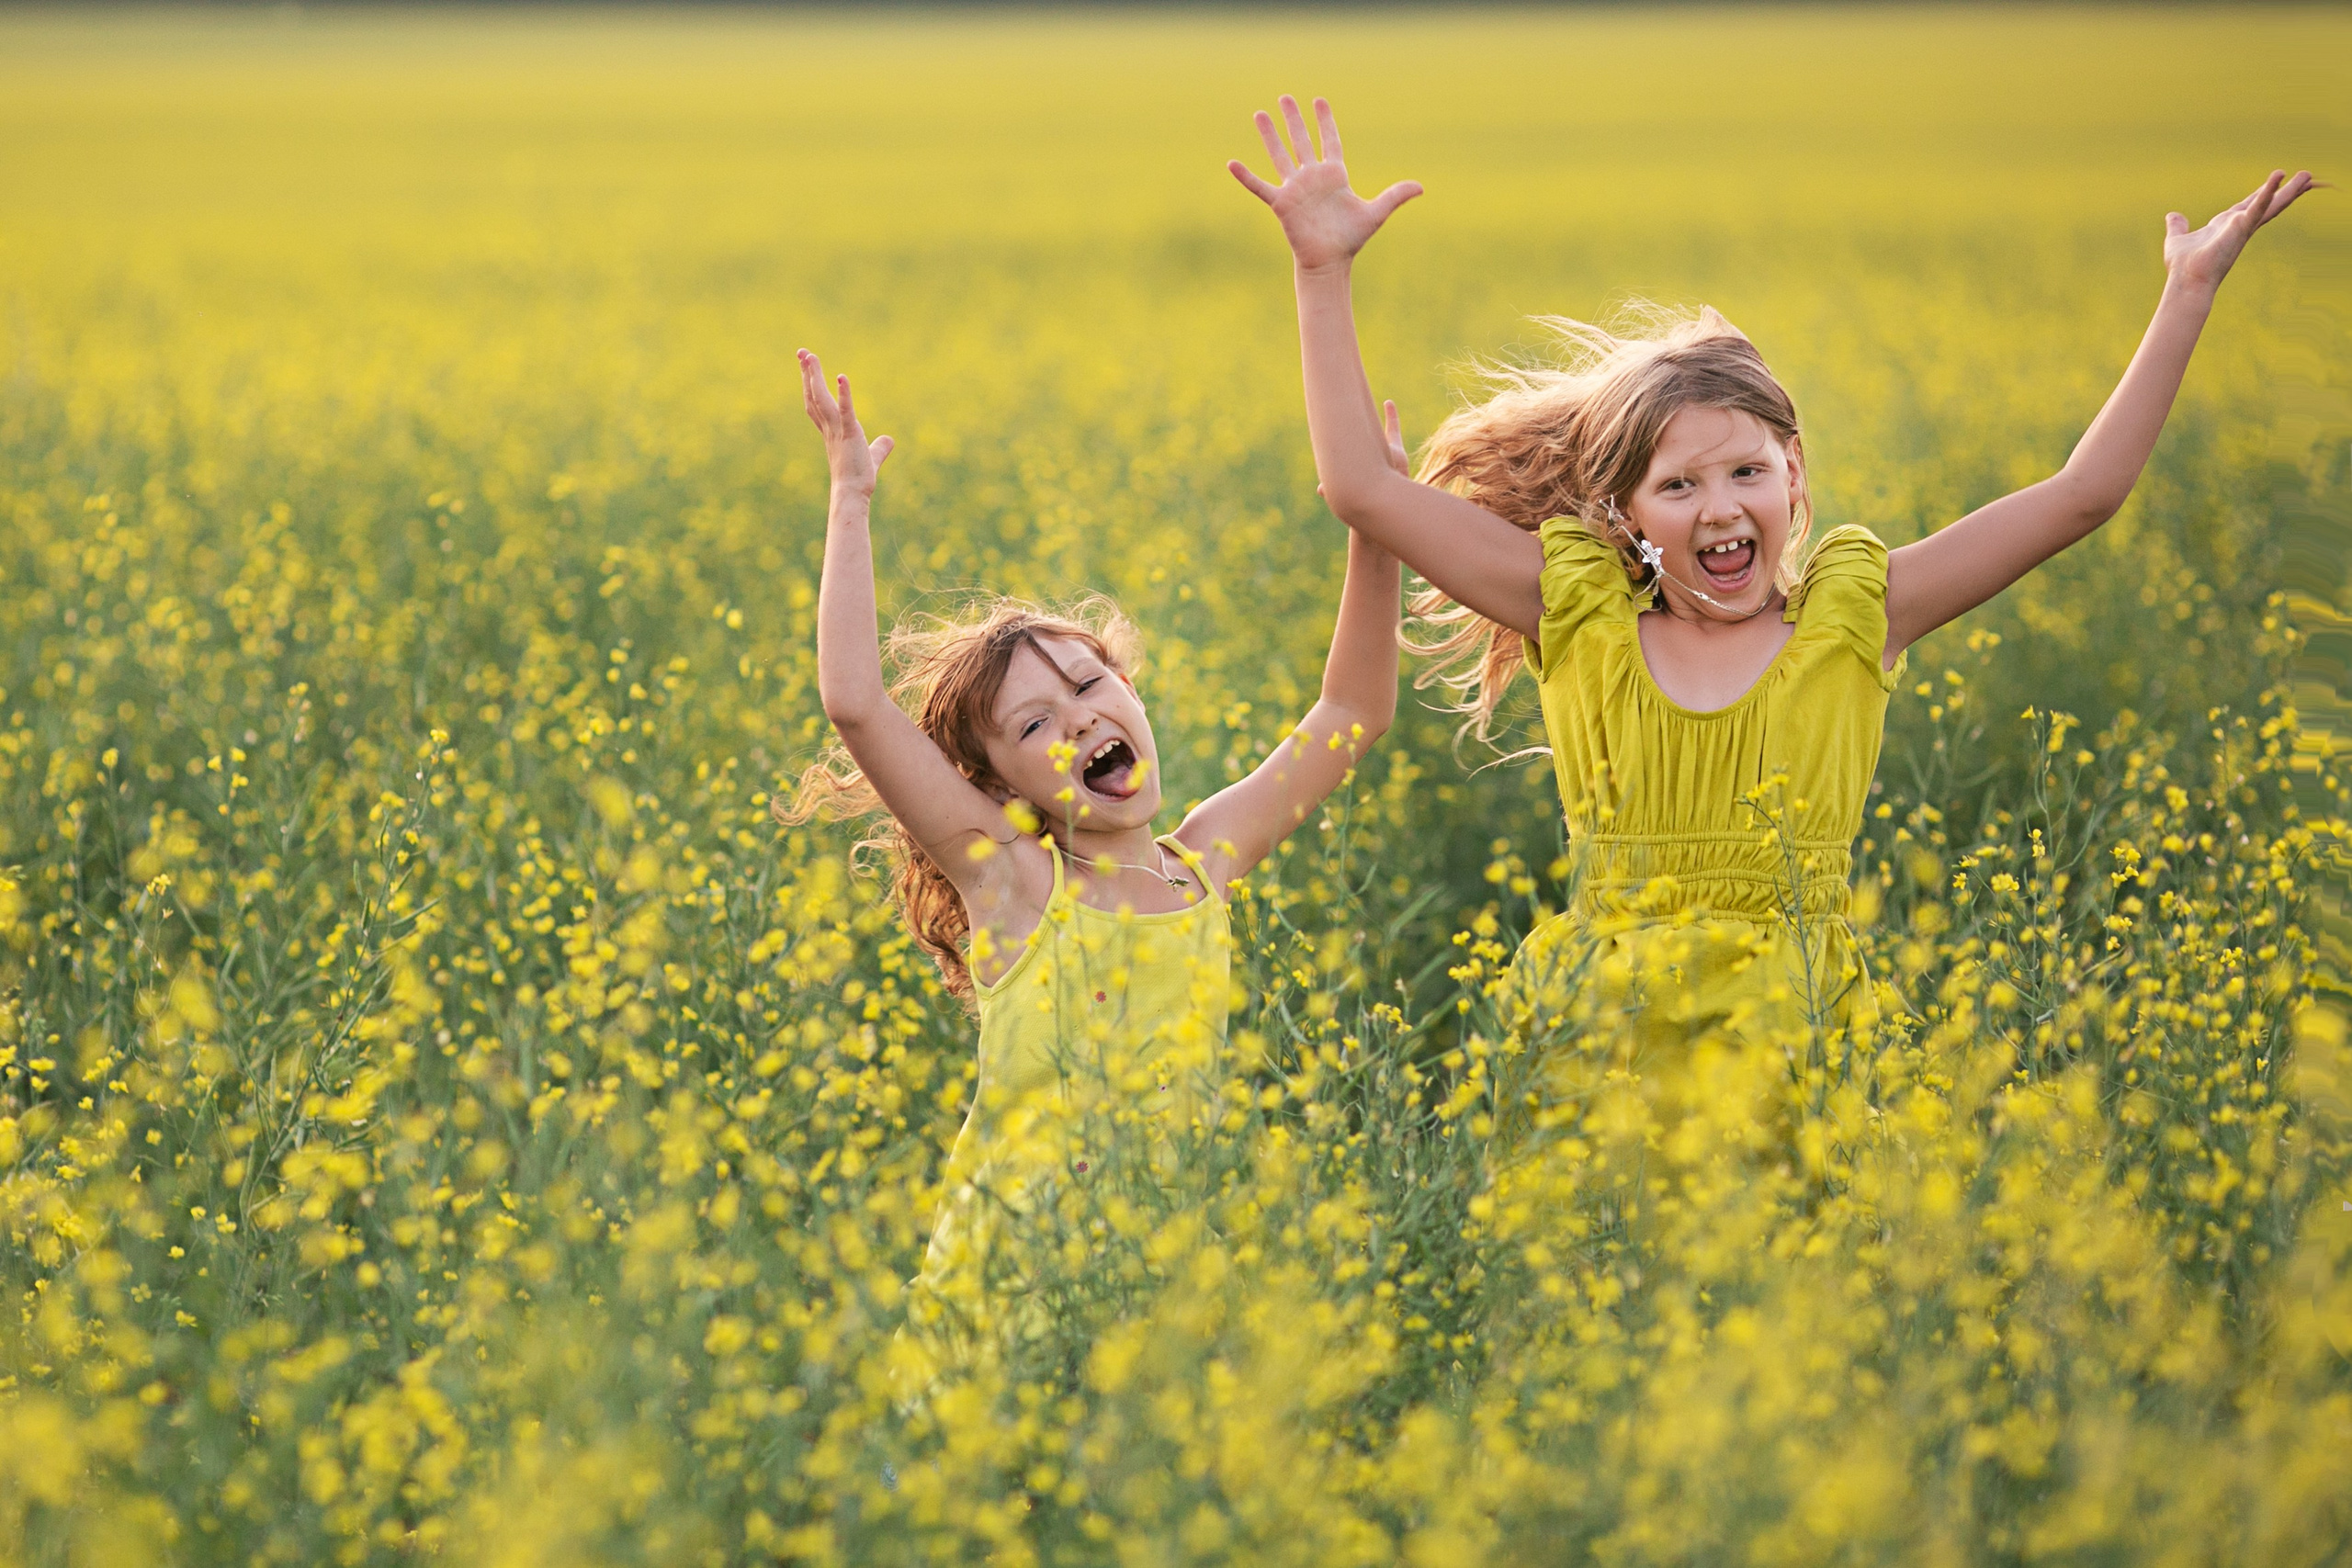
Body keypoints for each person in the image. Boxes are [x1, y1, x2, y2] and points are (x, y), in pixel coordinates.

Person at [1231, 94, 2312, 1059]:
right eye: (1679, 486)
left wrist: (2188, 293)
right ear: (1622, 514)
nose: (1719, 508)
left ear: (1793, 475)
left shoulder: (1856, 618)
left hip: (1792, 1047)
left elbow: (2082, 495)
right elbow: (1360, 493)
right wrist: (1320, 270)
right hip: (1598, 1049)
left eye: (1746, 470)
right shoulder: (1579, 615)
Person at [781, 348, 1401, 1349]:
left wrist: (1375, 529)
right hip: (1007, 1296)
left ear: (1131, 692)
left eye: (1088, 685)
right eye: (1031, 729)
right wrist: (849, 497)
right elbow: (854, 702)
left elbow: (1351, 710)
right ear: (995, 790)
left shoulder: (1202, 863)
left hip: (1154, 1290)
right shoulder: (1014, 880)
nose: (1075, 721)